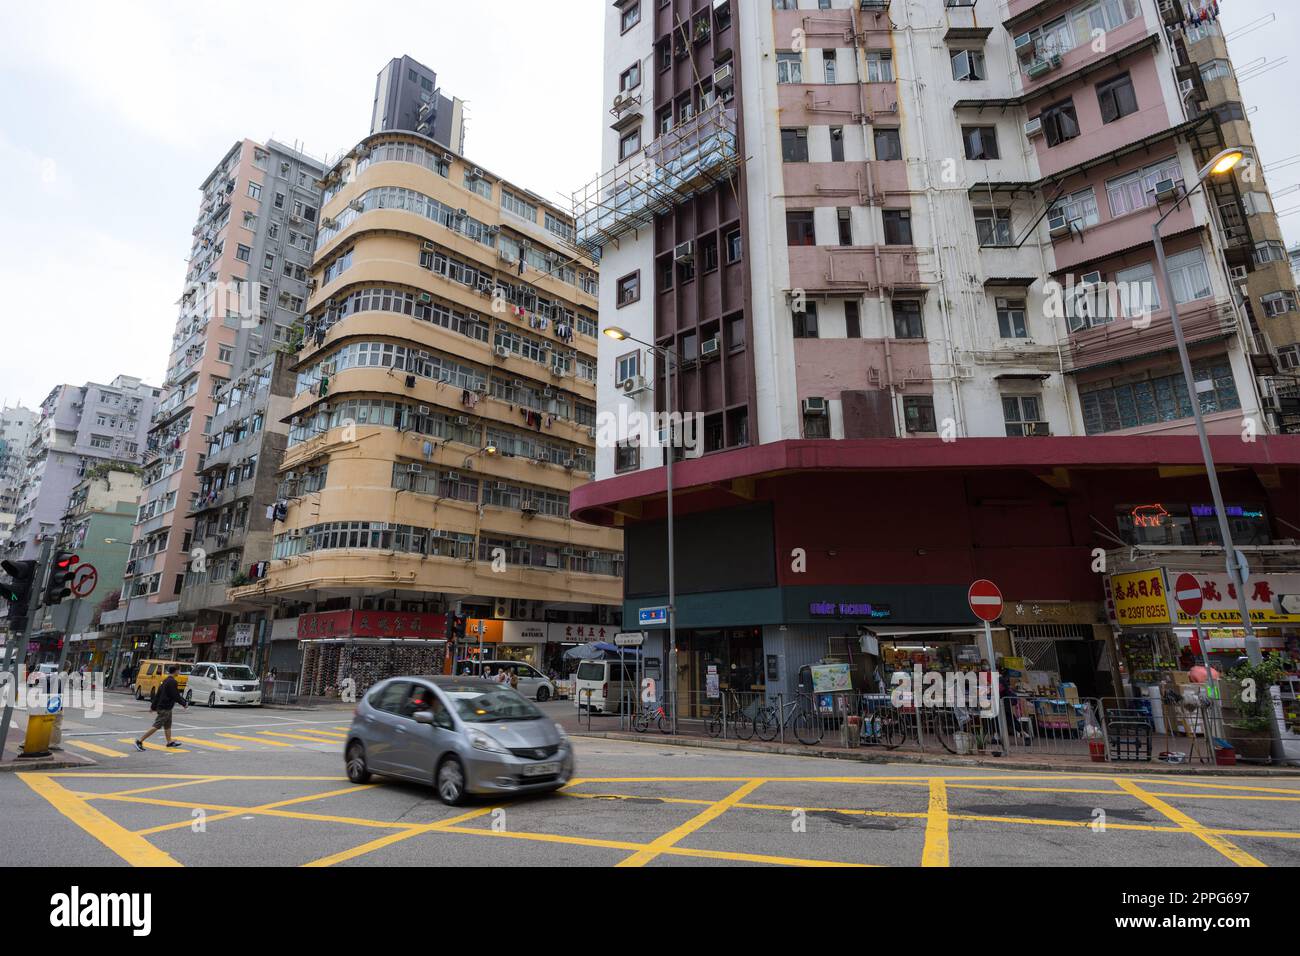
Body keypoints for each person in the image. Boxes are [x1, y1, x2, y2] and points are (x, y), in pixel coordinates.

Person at [136, 664, 188, 750]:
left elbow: (158, 695)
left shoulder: (165, 681)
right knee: (157, 725)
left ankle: (169, 742)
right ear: (175, 671)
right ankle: (140, 741)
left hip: (165, 707)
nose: (179, 672)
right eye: (179, 670)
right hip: (165, 707)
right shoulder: (172, 682)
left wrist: (153, 706)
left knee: (167, 725)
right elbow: (176, 696)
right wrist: (184, 703)